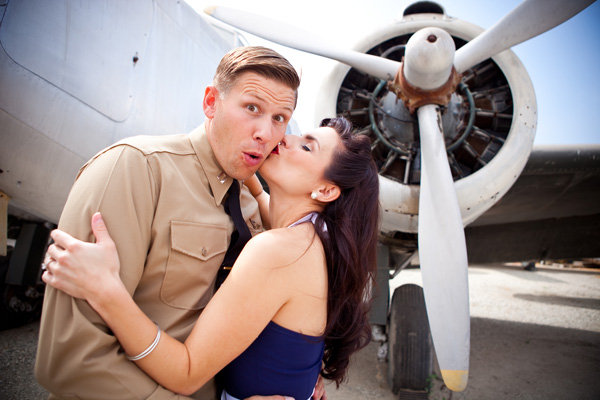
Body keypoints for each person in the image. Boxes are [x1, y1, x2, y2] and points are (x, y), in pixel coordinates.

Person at [42, 117, 380, 400]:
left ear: (325, 191)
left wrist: (106, 291)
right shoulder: (312, 239)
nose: (285, 139)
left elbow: (187, 373)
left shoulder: (279, 251)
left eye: (307, 146)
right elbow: (267, 205)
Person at [35, 46, 304, 400]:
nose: (265, 134)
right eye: (252, 108)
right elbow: (72, 361)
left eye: (280, 118)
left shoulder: (251, 206)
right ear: (211, 102)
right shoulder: (135, 169)